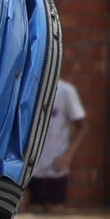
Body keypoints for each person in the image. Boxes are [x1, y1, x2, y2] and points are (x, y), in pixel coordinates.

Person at [28, 74, 85, 209]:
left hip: (54, 168)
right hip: (29, 168)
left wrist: (67, 156)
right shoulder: (27, 89)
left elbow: (82, 127)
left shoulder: (66, 91)